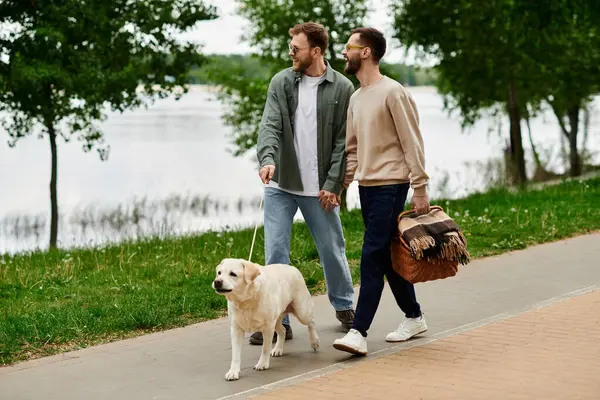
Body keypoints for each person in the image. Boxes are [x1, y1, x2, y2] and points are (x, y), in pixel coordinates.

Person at [251, 22, 356, 345]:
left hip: (320, 189)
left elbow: (344, 142)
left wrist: (334, 184)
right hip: (281, 183)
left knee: (331, 249)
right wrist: (267, 158)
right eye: (290, 48)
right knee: (276, 253)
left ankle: (343, 306)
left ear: (316, 51)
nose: (290, 53)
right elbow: (269, 124)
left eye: (295, 48)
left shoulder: (342, 88)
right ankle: (277, 320)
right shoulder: (281, 82)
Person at [332, 27, 431, 355]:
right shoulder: (356, 98)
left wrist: (420, 187)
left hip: (393, 184)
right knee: (387, 257)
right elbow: (352, 149)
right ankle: (414, 316)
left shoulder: (393, 92)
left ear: (366, 52)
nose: (344, 52)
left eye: (349, 46)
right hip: (368, 187)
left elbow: (411, 141)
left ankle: (358, 331)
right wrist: (341, 186)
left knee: (371, 254)